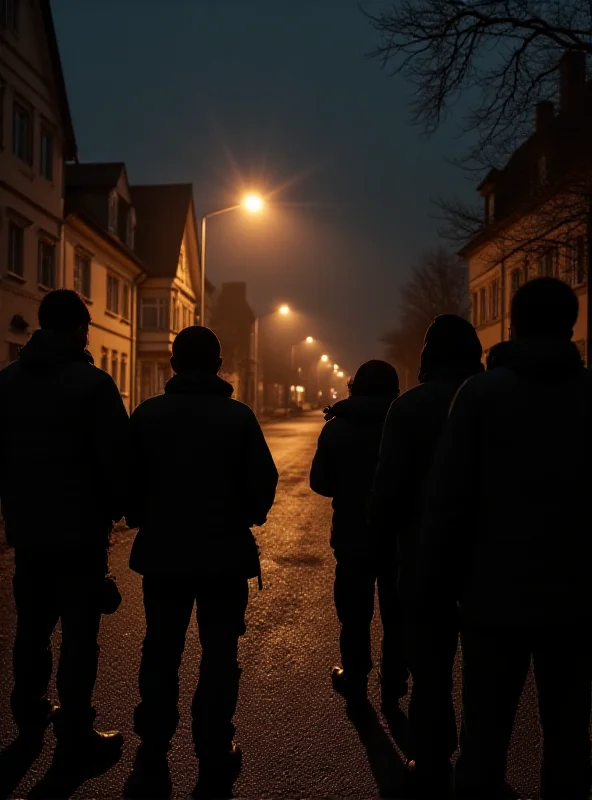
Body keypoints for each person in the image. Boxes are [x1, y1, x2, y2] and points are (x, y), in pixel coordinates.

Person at [418, 278, 592, 800]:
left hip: (492, 598)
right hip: (576, 599)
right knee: (569, 738)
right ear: (571, 324)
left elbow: (448, 501)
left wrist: (434, 587)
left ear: (513, 326)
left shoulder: (481, 396)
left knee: (485, 738)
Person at [124, 326, 278, 799]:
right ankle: (212, 747)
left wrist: (143, 515)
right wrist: (245, 516)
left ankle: (152, 751)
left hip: (163, 556)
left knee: (161, 651)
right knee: (218, 657)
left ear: (173, 363)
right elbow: (263, 483)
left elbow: (127, 480)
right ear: (218, 364)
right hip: (223, 558)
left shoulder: (148, 415)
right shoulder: (238, 417)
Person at [0, 290, 127, 762]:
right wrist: (117, 509)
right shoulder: (93, 385)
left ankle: (29, 717)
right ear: (80, 330)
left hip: (28, 533)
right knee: (79, 637)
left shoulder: (6, 383)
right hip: (80, 536)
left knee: (31, 630)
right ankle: (75, 733)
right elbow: (115, 460)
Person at [372, 314, 483, 796]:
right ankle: (482, 765)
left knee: (431, 668)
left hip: (423, 560)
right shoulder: (489, 401)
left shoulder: (409, 407)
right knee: (486, 672)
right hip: (488, 563)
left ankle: (432, 760)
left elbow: (389, 491)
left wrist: (385, 538)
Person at [310, 360, 408, 712]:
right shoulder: (405, 422)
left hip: (353, 537)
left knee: (354, 613)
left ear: (354, 388)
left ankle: (355, 679)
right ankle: (395, 681)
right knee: (396, 613)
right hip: (399, 537)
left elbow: (319, 483)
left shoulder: (337, 428)